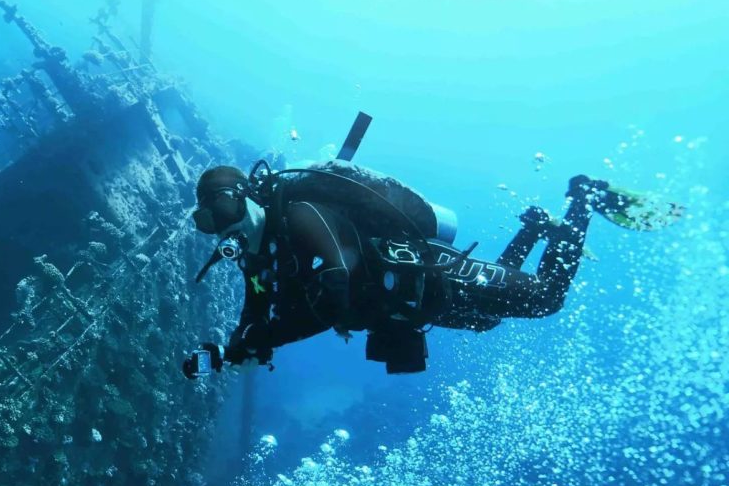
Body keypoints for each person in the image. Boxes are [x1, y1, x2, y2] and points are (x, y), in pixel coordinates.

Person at [182, 160, 681, 377]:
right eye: (207, 222)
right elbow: (256, 313)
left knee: (546, 296)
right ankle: (532, 227)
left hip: (428, 272)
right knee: (491, 317)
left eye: (220, 213)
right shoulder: (260, 256)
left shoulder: (298, 213)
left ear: (243, 198)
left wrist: (267, 340)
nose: (219, 228)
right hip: (414, 302)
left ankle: (585, 197)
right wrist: (226, 351)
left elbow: (334, 286)